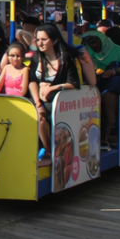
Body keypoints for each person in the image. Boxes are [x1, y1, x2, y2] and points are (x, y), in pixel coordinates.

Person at [27, 24, 81, 161]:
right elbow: (32, 80)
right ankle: (49, 150)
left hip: (58, 100)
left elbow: (74, 84)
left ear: (55, 40)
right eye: (37, 39)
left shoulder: (66, 58)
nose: (40, 43)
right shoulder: (35, 58)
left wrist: (53, 87)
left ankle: (50, 151)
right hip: (38, 99)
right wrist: (38, 101)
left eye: (44, 39)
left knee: (45, 114)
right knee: (39, 114)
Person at [82, 30, 120, 148]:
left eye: (98, 45)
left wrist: (115, 71)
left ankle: (106, 136)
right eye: (92, 46)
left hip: (111, 84)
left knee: (109, 112)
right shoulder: (87, 52)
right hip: (92, 84)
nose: (96, 49)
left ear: (103, 42)